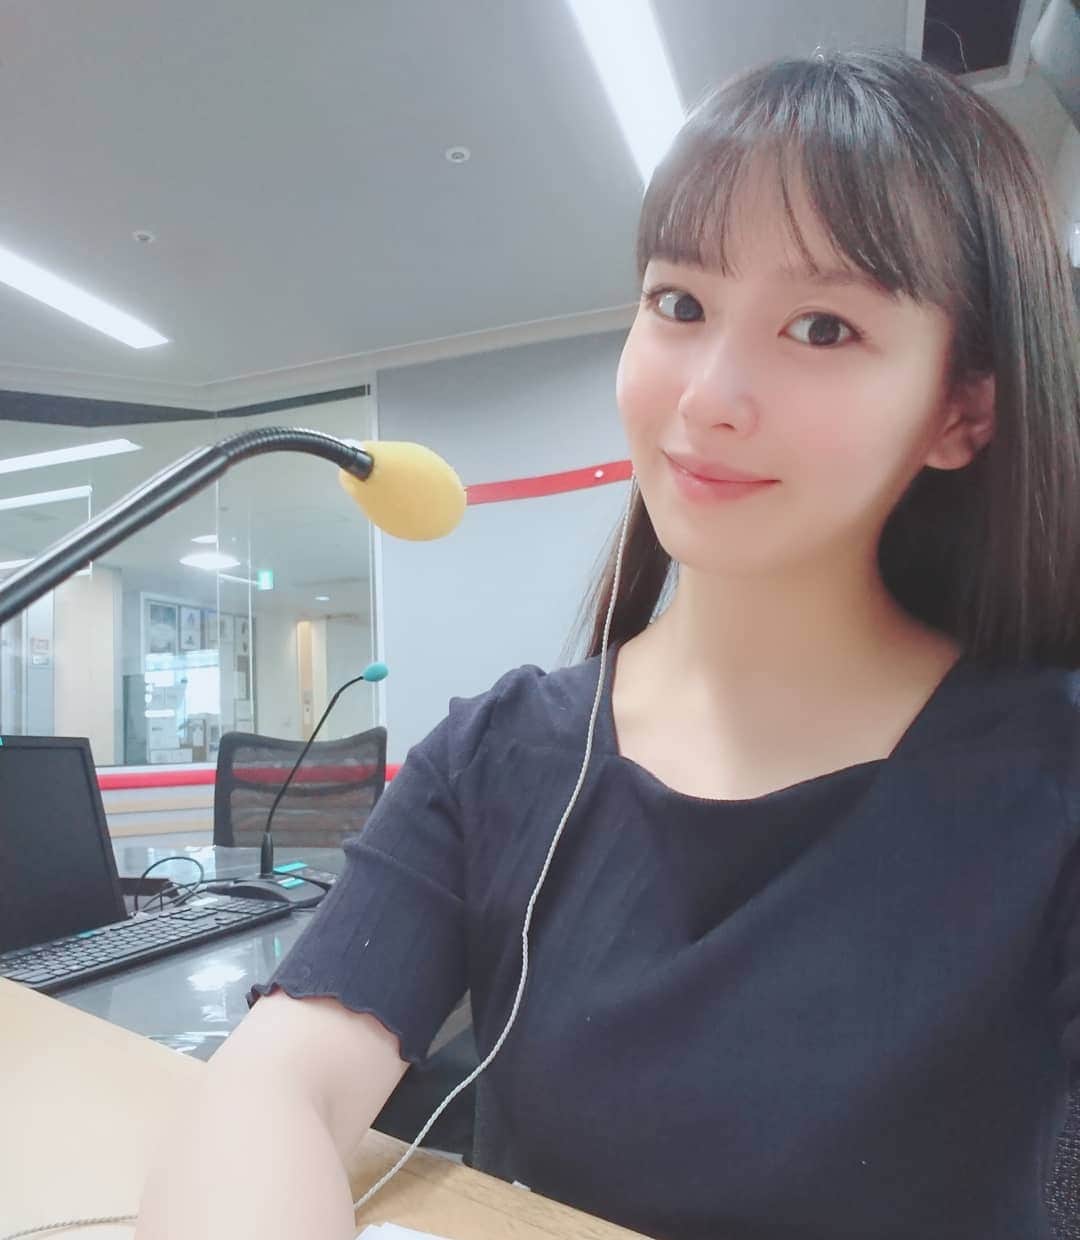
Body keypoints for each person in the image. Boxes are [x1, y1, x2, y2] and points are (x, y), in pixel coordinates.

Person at [135, 46, 1080, 1240]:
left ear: (961, 410)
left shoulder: (1049, 772)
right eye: (679, 305)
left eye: (822, 326)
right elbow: (280, 1082)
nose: (709, 396)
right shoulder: (497, 756)